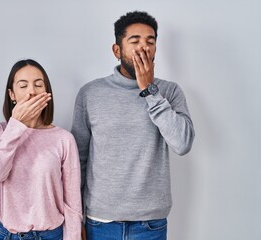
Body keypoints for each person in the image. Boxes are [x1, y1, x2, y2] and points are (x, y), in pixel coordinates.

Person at [71, 11, 195, 240]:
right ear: (117, 50)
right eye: (135, 41)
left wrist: (150, 91)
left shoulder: (169, 92)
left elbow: (183, 143)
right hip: (100, 222)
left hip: (150, 224)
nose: (144, 48)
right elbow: (77, 161)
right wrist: (75, 219)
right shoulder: (91, 94)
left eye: (150, 41)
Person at [0, 59, 82, 240]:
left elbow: (72, 203)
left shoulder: (63, 139)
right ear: (12, 94)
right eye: (23, 85)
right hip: (7, 235)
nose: (31, 91)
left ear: (47, 92)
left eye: (38, 84)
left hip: (51, 235)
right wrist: (17, 124)